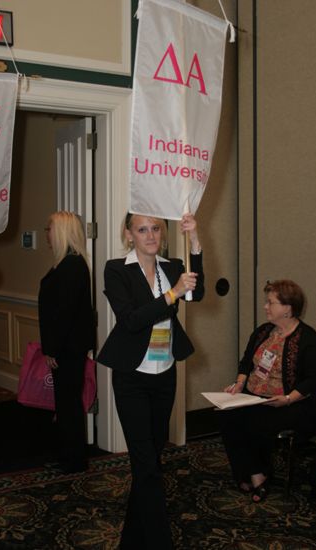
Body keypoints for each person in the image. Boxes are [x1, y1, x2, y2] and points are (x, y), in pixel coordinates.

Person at [97, 212, 204, 549]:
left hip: (165, 376)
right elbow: (131, 319)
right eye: (142, 229)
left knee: (150, 463)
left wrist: (196, 241)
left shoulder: (171, 266)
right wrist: (172, 293)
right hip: (131, 378)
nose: (150, 235)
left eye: (156, 228)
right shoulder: (116, 269)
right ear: (129, 234)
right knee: (146, 465)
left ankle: (132, 540)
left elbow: (196, 295)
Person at [219, 279, 316, 503]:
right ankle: (252, 472)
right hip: (255, 397)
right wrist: (239, 383)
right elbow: (246, 363)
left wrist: (289, 398)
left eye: (271, 302)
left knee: (252, 420)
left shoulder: (309, 340)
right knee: (226, 415)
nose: (265, 307)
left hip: (297, 404)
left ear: (288, 308)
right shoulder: (263, 332)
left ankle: (257, 476)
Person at [38, 211, 95, 473]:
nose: (46, 233)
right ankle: (68, 456)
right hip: (68, 347)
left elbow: (64, 314)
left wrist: (51, 349)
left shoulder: (72, 265)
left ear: (60, 231)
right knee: (66, 403)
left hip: (67, 349)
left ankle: (74, 461)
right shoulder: (68, 263)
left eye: (49, 228)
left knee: (69, 404)